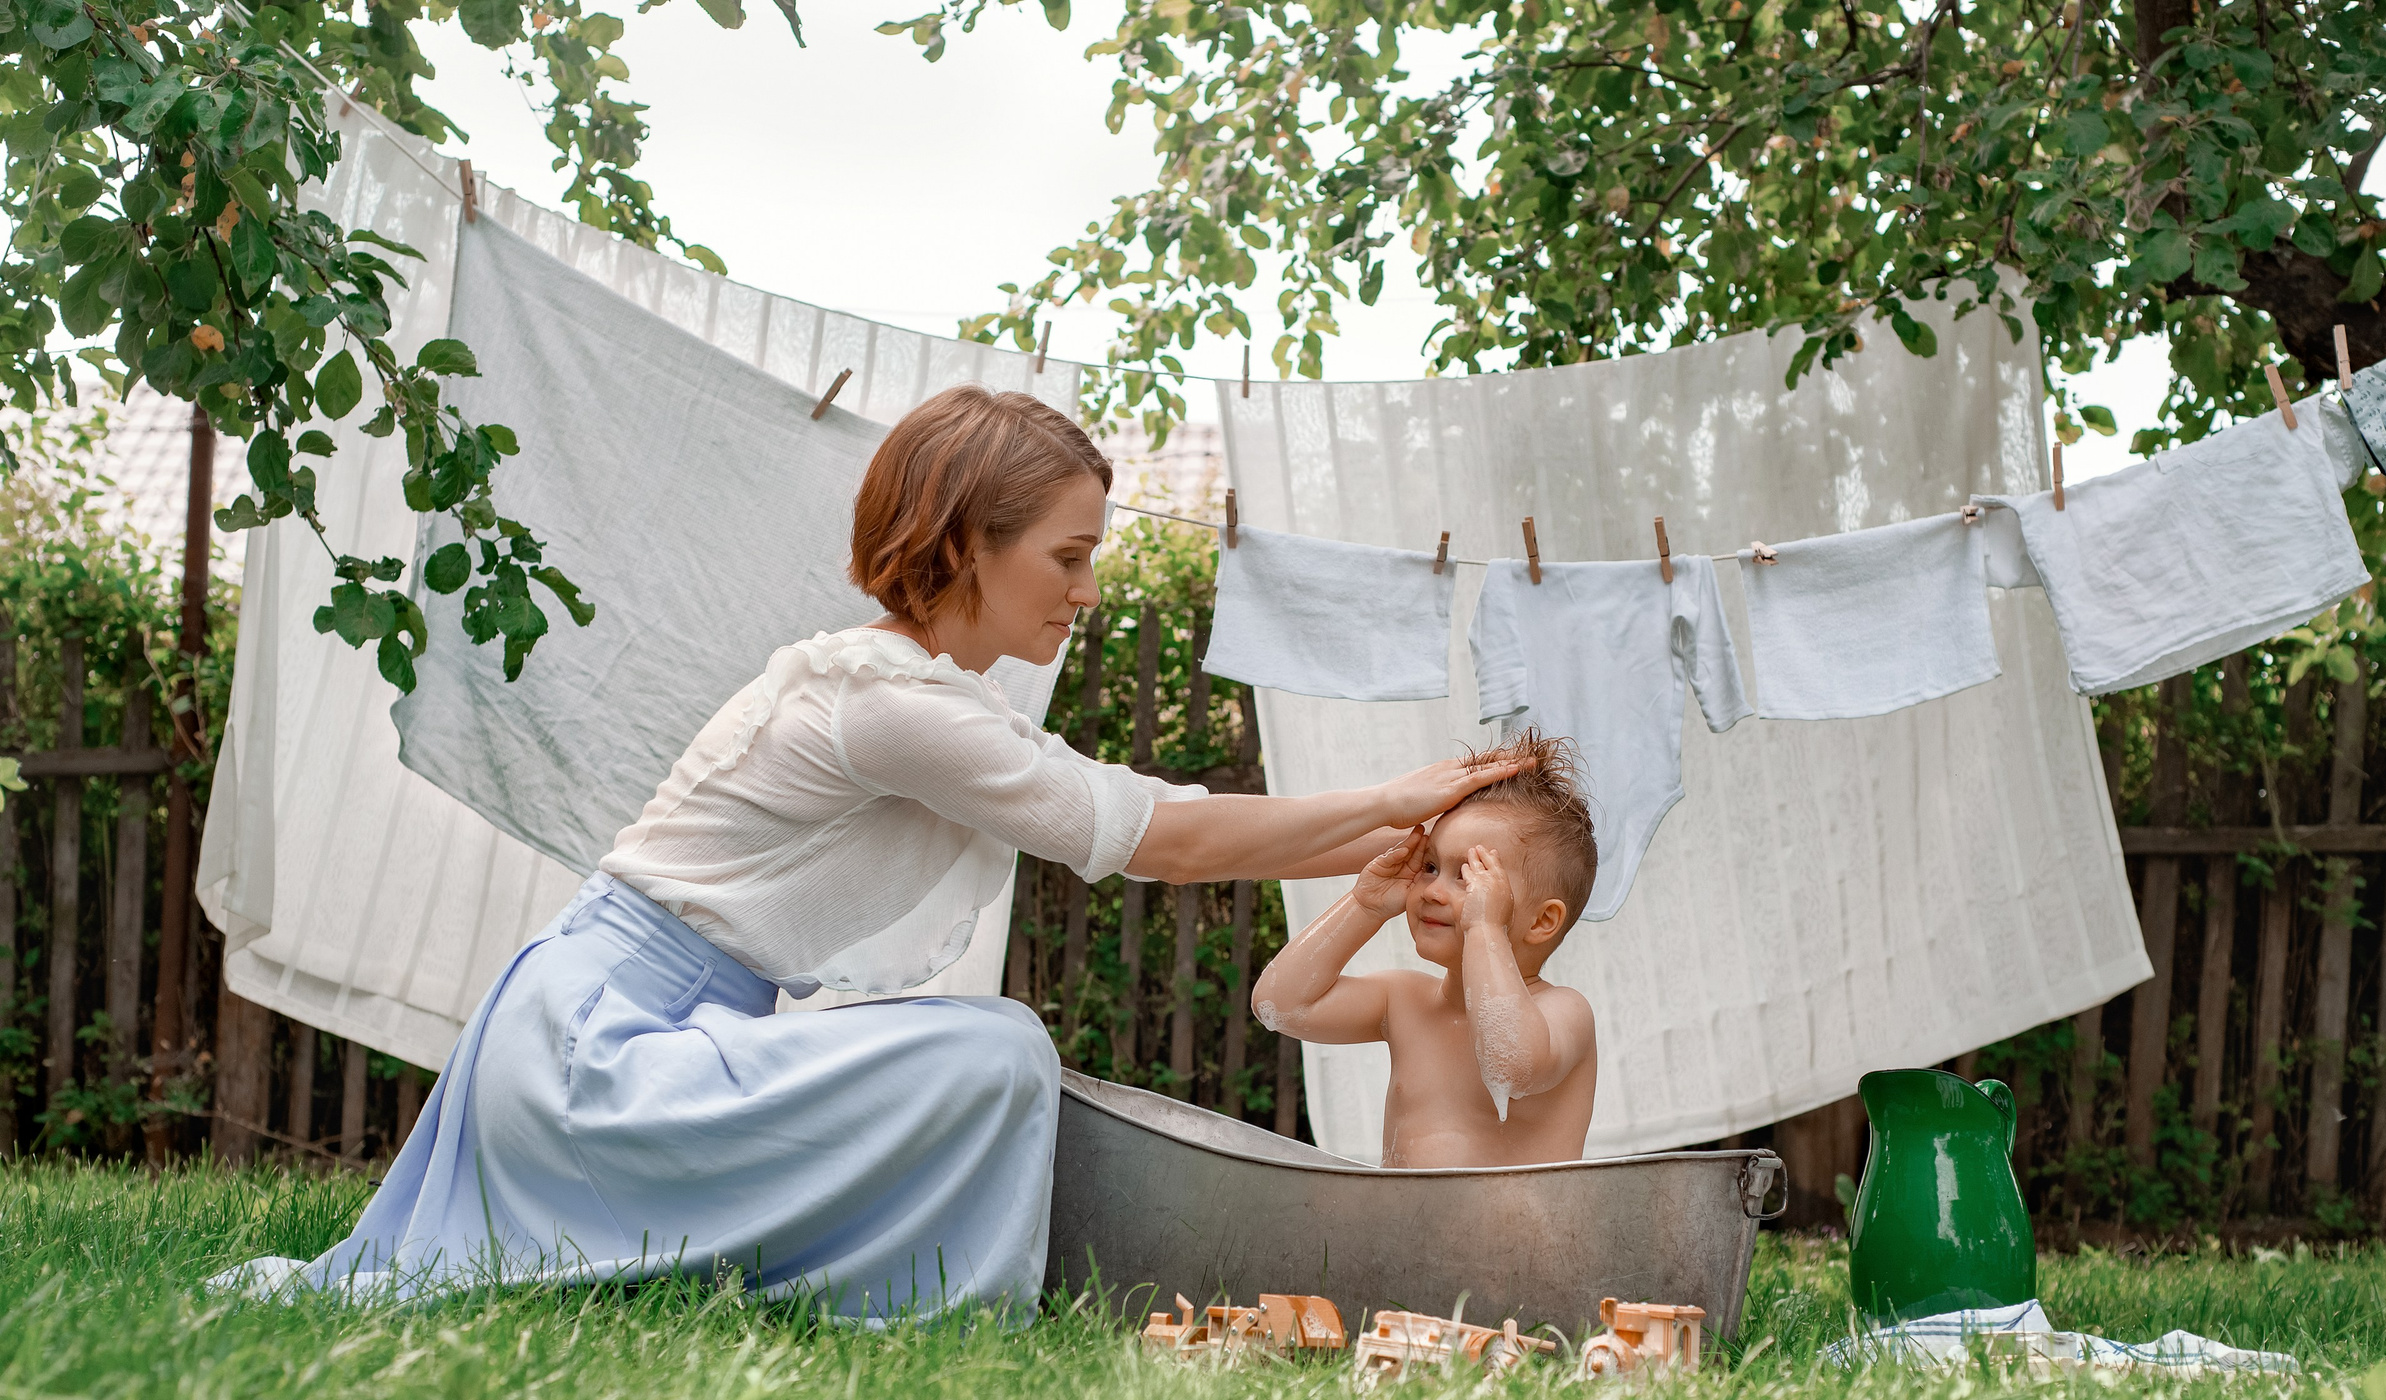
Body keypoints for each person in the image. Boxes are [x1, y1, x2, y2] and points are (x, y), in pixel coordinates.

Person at [220, 385, 1518, 1317]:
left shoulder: (923, 697)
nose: (1086, 589)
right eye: (1067, 557)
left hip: (624, 1032)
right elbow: (1155, 835)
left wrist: (1376, 822)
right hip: (598, 1063)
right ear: (967, 544)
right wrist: (1389, 795)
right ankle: (927, 1314)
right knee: (995, 1045)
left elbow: (1142, 822)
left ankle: (872, 1292)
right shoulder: (891, 702)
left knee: (969, 1045)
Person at [1250, 731, 1600, 1169]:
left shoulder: (1565, 1012)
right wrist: (1364, 905)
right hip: (1402, 1236)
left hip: (1518, 1240)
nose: (1433, 890)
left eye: (1470, 877)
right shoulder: (1404, 1001)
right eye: (1430, 866)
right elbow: (1278, 1004)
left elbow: (1511, 1067)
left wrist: (1484, 928)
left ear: (1542, 921)